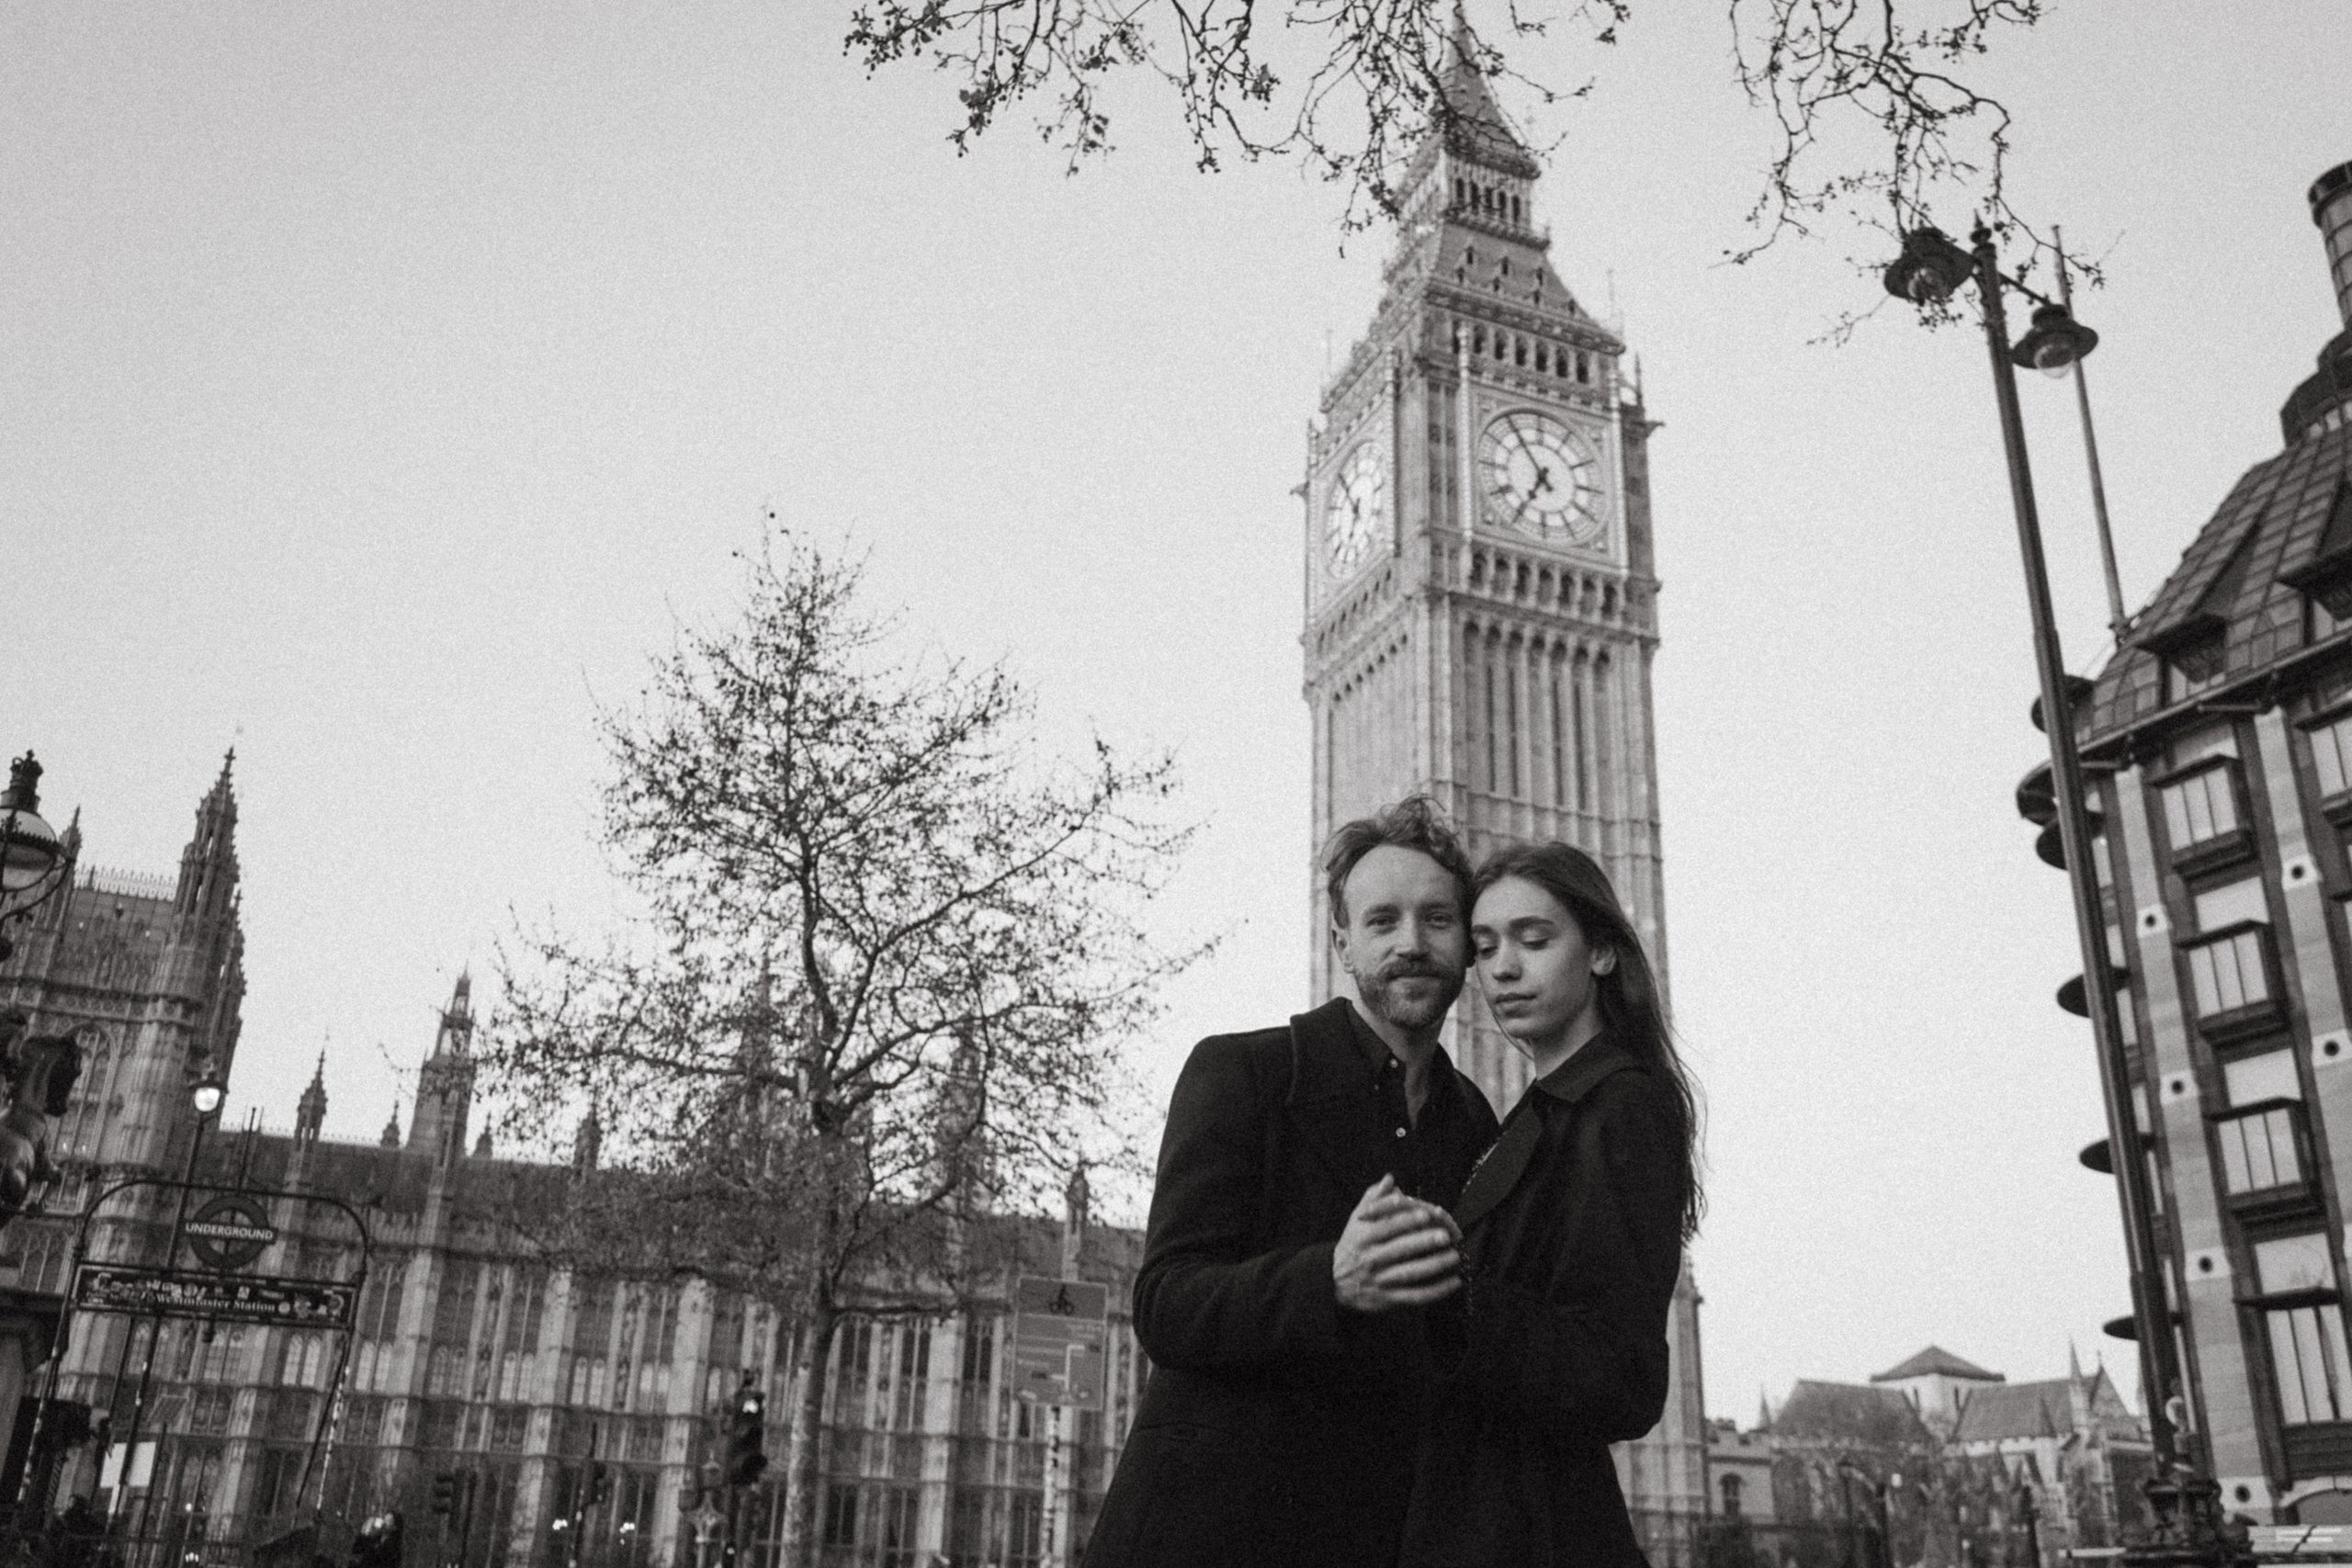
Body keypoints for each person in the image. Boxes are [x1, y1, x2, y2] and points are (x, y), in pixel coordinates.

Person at [1083, 797, 1501, 1568]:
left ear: (1468, 946)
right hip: (1209, 1533)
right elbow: (1165, 1302)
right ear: (1343, 942)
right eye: (1382, 921)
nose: (1411, 942)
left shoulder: (1474, 1125)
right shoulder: (1244, 1072)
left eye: (1437, 919)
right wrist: (1328, 1282)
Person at [1397, 840, 1702, 1568]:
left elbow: (1621, 1376)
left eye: (1534, 939)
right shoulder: (1539, 1113)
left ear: (1600, 951)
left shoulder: (1620, 1104)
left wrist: (1442, 1294)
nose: (1503, 966)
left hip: (1533, 1529)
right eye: (1485, 946)